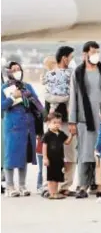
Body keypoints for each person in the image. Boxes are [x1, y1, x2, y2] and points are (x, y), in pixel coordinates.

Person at [69, 41, 101, 199]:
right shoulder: (78, 73)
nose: (95, 55)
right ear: (85, 54)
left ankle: (98, 183)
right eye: (93, 52)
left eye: (97, 52)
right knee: (85, 153)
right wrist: (72, 121)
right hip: (84, 120)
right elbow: (73, 97)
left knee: (100, 152)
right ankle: (82, 185)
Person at [2, 61, 43, 197]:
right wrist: (13, 97)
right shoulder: (4, 88)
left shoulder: (27, 87)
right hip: (13, 126)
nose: (17, 72)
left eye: (18, 69)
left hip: (28, 126)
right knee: (11, 155)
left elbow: (37, 103)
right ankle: (10, 186)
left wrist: (44, 114)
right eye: (13, 70)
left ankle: (22, 185)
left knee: (24, 155)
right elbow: (1, 106)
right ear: (8, 72)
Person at [45, 46, 77, 197]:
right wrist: (65, 98)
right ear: (64, 58)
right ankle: (50, 187)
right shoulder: (51, 74)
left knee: (70, 154)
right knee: (52, 154)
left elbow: (76, 96)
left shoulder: (73, 75)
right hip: (54, 120)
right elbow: (48, 96)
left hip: (70, 120)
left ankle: (66, 185)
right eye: (70, 57)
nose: (71, 60)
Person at [42, 112, 74, 199]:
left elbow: (67, 142)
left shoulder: (60, 133)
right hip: (50, 159)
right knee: (51, 177)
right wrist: (45, 158)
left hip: (59, 159)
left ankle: (55, 192)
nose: (57, 125)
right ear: (48, 123)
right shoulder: (47, 135)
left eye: (59, 123)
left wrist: (71, 135)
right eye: (54, 122)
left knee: (57, 177)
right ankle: (51, 193)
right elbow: (44, 147)